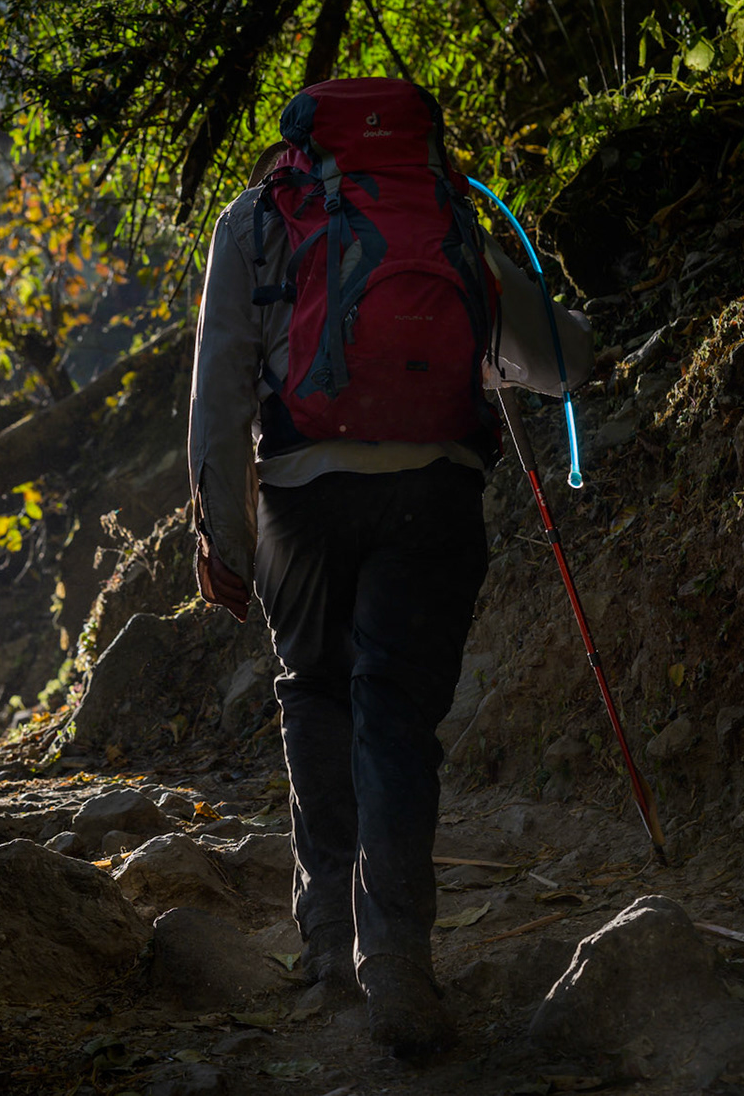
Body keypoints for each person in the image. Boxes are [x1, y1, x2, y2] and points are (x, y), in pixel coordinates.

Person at [186, 79, 508, 1059]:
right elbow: (529, 352)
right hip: (435, 487)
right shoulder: (452, 204)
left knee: (318, 692)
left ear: (296, 140)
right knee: (395, 714)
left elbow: (219, 385)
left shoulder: (257, 218)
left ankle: (329, 947)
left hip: (303, 493)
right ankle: (399, 959)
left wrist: (222, 536)